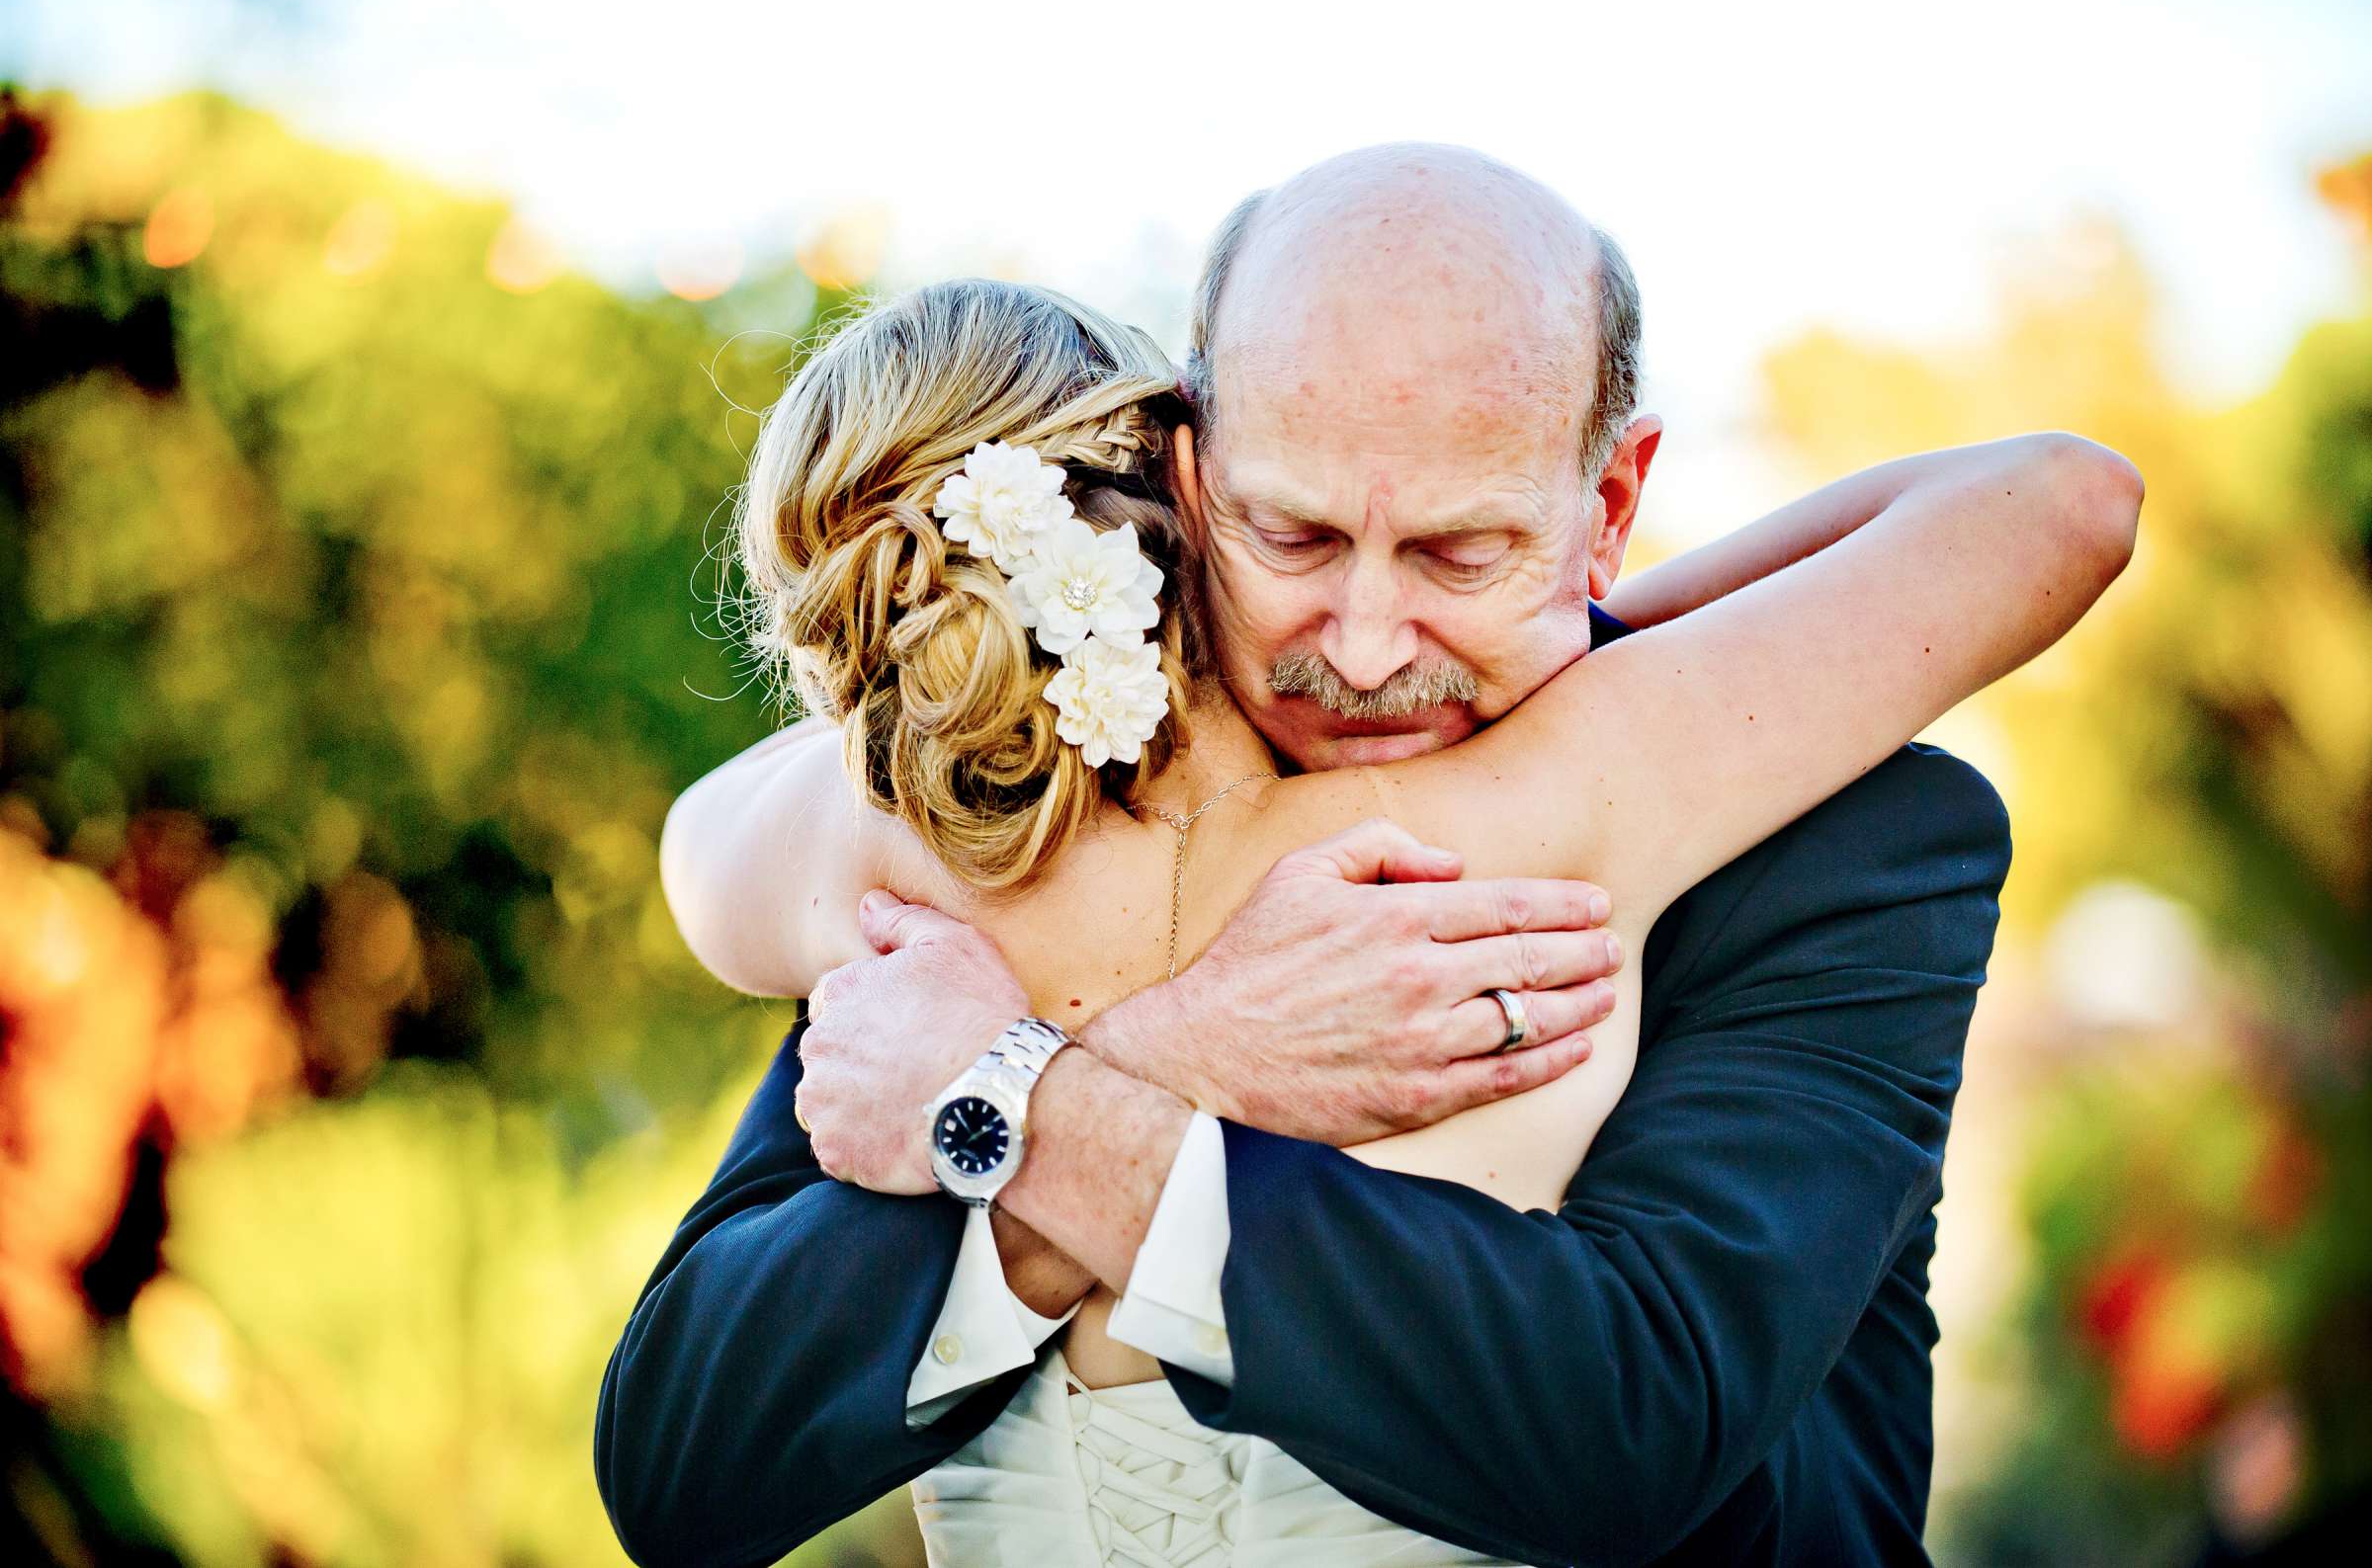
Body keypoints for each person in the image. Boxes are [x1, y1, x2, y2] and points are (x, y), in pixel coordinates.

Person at [598, 146, 2143, 1566]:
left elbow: (1622, 1437)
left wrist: (1045, 1104)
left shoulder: (1844, 832)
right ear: (1187, 478)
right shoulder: (992, 820)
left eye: (1466, 554)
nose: (1370, 642)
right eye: (1297, 538)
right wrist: (1187, 1049)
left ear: (1609, 508)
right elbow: (683, 1463)